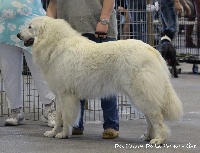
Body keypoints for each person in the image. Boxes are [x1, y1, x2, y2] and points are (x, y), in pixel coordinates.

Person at [47, 0, 119, 139]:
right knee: (72, 84)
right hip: (69, 34)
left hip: (100, 30)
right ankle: (75, 125)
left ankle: (111, 125)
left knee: (107, 79)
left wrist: (104, 21)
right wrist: (47, 27)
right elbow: (52, 6)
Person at [0, 0, 55, 127]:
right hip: (4, 29)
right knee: (9, 72)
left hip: (33, 27)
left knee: (40, 71)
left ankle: (50, 110)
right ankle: (16, 111)